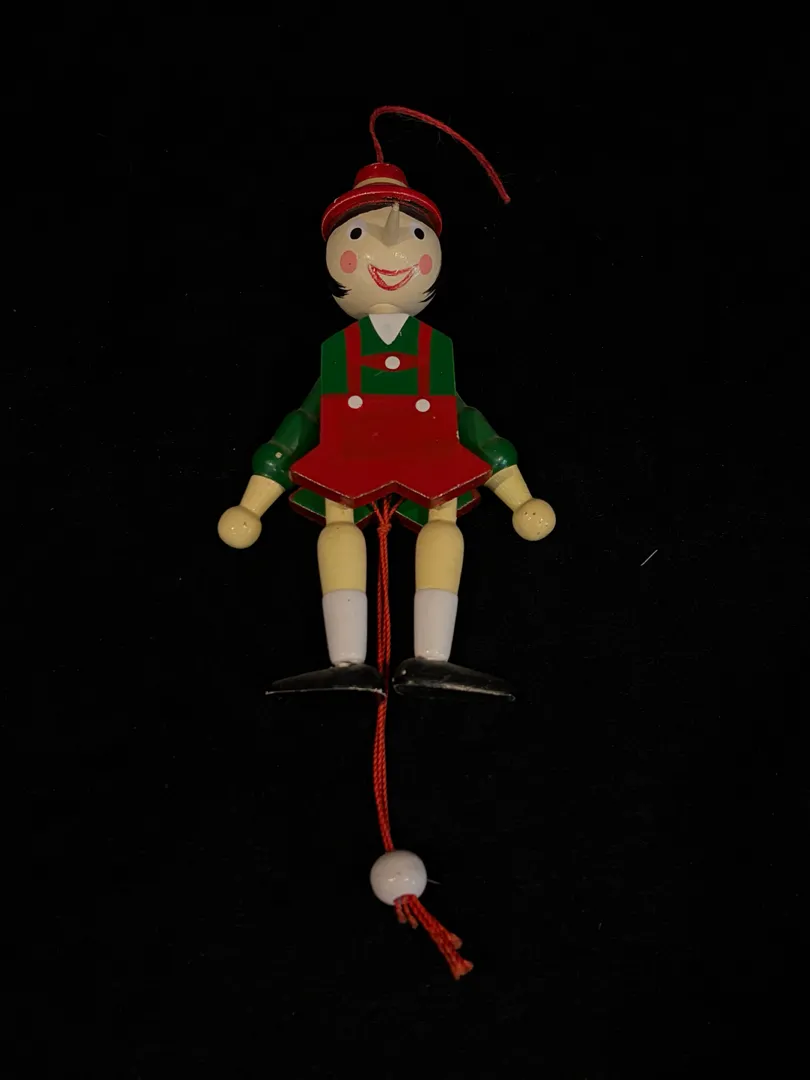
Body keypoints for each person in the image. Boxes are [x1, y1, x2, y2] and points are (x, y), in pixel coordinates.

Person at [218, 162, 556, 698]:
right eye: (358, 235)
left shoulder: (436, 351)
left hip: (431, 451)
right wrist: (252, 503)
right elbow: (301, 425)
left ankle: (434, 661)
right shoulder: (339, 353)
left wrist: (519, 495)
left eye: (416, 236)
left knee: (442, 519)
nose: (391, 247)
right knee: (340, 521)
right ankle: (347, 663)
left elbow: (469, 422)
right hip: (347, 452)